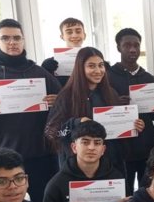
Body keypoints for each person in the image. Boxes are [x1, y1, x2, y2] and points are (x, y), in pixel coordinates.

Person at [0, 18, 61, 202]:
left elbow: (64, 115)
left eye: (17, 38)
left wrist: (57, 104)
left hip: (40, 157)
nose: (12, 42)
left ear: (23, 40)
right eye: (5, 38)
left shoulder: (40, 74)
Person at [45, 47, 145, 176]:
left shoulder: (111, 93)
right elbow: (51, 132)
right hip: (78, 168)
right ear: (80, 68)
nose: (98, 71)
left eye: (101, 65)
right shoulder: (66, 96)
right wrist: (76, 123)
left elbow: (118, 131)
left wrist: (133, 125)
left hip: (110, 166)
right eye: (91, 66)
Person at [107, 28, 154, 196]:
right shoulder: (108, 77)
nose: (132, 49)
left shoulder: (148, 78)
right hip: (120, 149)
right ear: (118, 48)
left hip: (146, 145)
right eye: (127, 45)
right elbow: (99, 110)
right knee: (123, 193)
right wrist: (115, 104)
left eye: (136, 45)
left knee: (147, 190)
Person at [41, 17, 87, 87]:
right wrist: (48, 71)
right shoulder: (50, 64)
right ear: (62, 37)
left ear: (84, 35)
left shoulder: (96, 60)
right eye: (69, 32)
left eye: (78, 31)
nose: (74, 35)